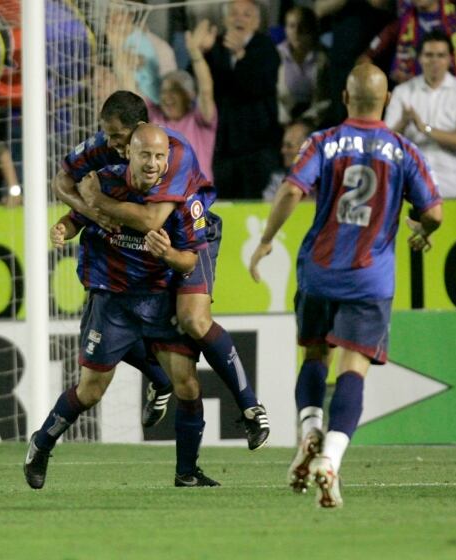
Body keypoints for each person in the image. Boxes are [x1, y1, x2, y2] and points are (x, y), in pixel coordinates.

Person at [249, 63, 443, 508]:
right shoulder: (404, 151)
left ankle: (310, 426)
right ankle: (331, 458)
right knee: (351, 369)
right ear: (387, 99)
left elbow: (292, 190)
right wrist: (421, 229)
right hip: (368, 278)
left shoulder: (325, 141)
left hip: (319, 270)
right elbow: (434, 212)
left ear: (344, 97)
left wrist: (265, 241)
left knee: (315, 354)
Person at [55, 90, 270, 449]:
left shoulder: (177, 152)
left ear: (140, 129)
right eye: (107, 134)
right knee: (124, 310)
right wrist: (92, 213)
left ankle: (250, 408)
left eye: (117, 136)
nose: (110, 143)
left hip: (190, 234)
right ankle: (159, 379)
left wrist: (98, 201)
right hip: (146, 240)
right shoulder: (106, 145)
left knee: (193, 320)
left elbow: (153, 218)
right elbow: (62, 181)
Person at [26, 124, 218, 489]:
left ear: (167, 159)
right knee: (90, 392)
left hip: (159, 300)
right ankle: (42, 443)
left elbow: (190, 261)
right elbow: (76, 218)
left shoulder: (175, 195)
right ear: (129, 153)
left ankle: (187, 472)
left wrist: (169, 254)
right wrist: (63, 230)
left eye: (159, 156)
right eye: (144, 154)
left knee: (188, 385)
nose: (152, 163)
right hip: (113, 301)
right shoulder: (104, 182)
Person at [202, 0, 282, 199]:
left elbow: (257, 87)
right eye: (234, 13)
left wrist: (240, 55)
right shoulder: (214, 46)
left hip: (257, 146)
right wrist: (200, 52)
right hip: (223, 144)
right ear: (224, 19)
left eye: (247, 14)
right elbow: (197, 84)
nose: (239, 18)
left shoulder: (266, 47)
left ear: (256, 22)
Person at [384, 30, 456, 198]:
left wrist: (425, 129)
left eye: (441, 55)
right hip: (409, 187)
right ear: (419, 58)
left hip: (454, 186)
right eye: (429, 55)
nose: (435, 61)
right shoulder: (402, 92)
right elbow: (384, 143)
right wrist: (403, 122)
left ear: (450, 59)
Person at [146, 19, 218, 181]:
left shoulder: (200, 120)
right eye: (164, 91)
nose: (167, 96)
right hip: (159, 199)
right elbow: (129, 88)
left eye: (175, 91)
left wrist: (195, 53)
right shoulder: (155, 117)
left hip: (196, 198)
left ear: (189, 95)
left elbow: (206, 90)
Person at [358, 0, 456, 85]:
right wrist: (378, 84)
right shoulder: (401, 23)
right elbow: (366, 57)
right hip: (409, 94)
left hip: (451, 94)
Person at [276, 6, 330, 126]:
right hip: (280, 122)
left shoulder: (324, 58)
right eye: (291, 26)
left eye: (302, 26)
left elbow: (326, 99)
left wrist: (307, 121)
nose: (297, 31)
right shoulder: (275, 55)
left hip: (313, 122)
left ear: (311, 29)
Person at [262, 119, 315, 201]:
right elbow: (266, 208)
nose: (283, 151)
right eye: (283, 145)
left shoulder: (328, 180)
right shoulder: (278, 180)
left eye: (289, 146)